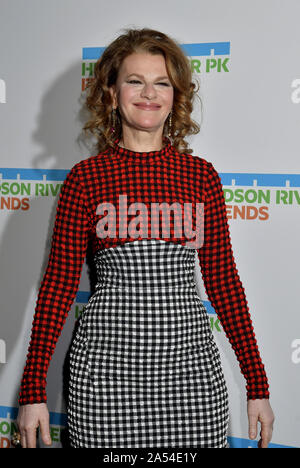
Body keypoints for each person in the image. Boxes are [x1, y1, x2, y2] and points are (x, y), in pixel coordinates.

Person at [16, 27, 274, 449]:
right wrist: (32, 392)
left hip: (190, 378)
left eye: (162, 83)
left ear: (176, 96)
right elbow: (58, 289)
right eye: (135, 81)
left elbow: (224, 284)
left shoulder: (200, 177)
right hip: (104, 378)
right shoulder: (86, 180)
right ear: (112, 93)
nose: (148, 93)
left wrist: (257, 385)